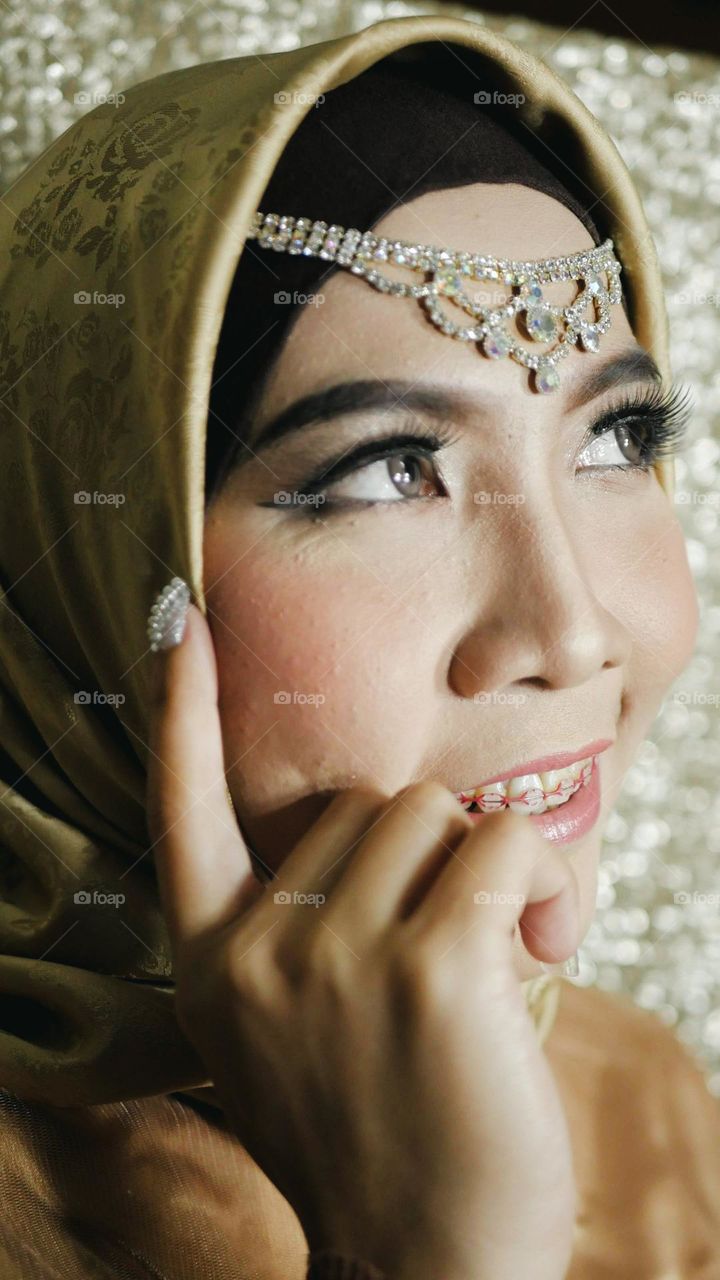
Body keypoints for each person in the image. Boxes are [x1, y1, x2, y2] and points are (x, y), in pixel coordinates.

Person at [0, 13, 719, 1279]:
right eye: (392, 468)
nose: (571, 631)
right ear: (100, 556)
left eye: (613, 443)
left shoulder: (645, 1103)